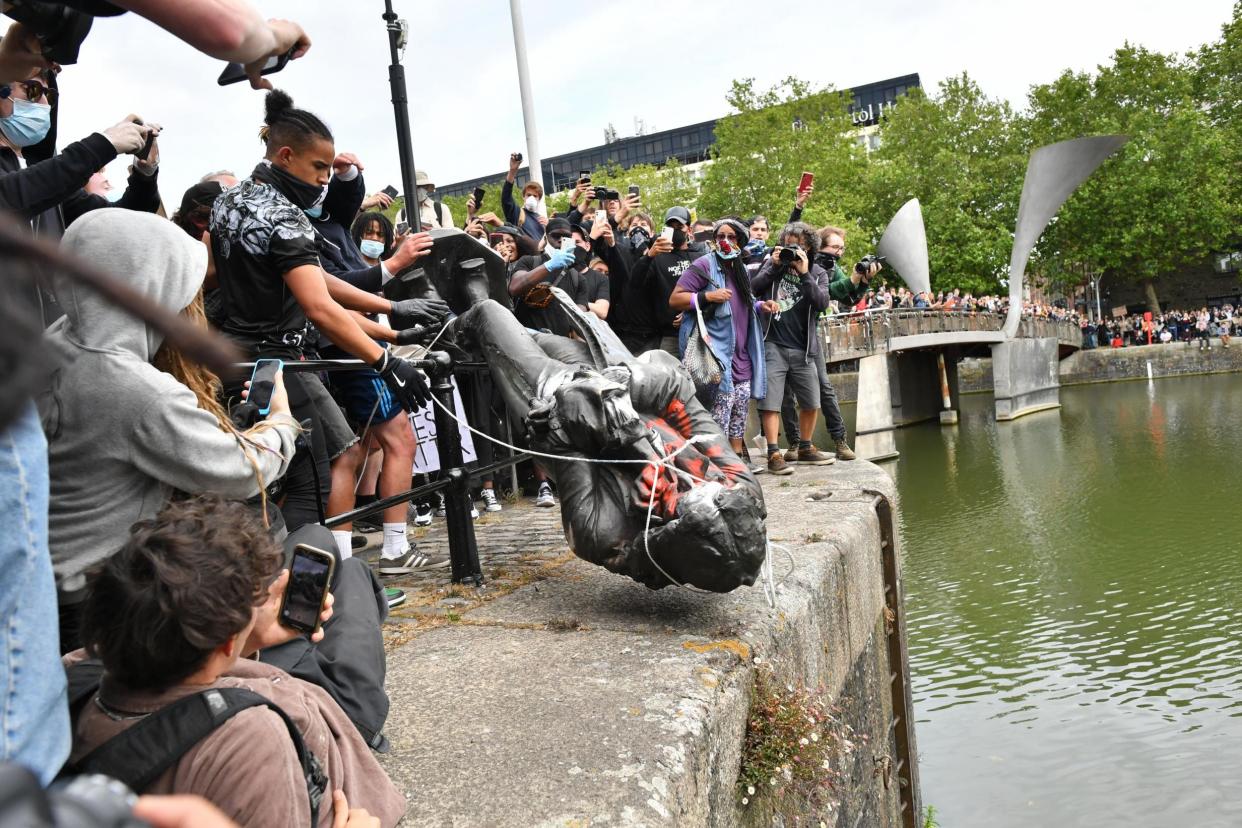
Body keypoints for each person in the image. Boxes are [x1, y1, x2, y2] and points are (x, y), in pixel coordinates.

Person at [39, 209, 299, 652]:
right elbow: (237, 470)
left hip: (45, 587)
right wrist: (281, 424)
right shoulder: (132, 387)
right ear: (152, 286)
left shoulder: (54, 343)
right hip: (100, 598)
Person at [65, 496, 404, 828]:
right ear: (226, 641)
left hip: (237, 668)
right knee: (356, 572)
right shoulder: (250, 739)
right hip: (335, 721)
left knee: (328, 550)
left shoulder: (75, 671)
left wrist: (249, 639)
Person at [209, 89, 442, 540]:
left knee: (265, 472)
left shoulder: (226, 203)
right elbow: (318, 305)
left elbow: (220, 275)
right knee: (325, 467)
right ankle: (316, 581)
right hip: (278, 361)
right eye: (318, 168)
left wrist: (391, 306)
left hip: (233, 356)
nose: (324, 181)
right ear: (286, 155)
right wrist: (388, 361)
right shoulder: (286, 217)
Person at [669, 218, 772, 461]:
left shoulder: (741, 269)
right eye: (720, 237)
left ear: (741, 241)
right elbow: (675, 299)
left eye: (731, 237)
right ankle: (717, 461)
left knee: (740, 405)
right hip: (716, 350)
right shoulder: (704, 264)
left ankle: (736, 458)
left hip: (743, 350)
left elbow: (742, 303)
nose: (725, 241)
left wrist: (761, 305)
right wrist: (708, 296)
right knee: (721, 407)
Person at [750, 222, 836, 474]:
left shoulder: (818, 272)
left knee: (811, 401)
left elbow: (821, 303)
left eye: (797, 243)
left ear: (809, 246)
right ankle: (774, 453)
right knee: (770, 402)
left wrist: (805, 273)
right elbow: (753, 289)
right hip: (773, 343)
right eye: (788, 242)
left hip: (803, 346)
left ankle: (806, 447)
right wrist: (774, 267)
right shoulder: (772, 265)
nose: (792, 247)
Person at [631, 206, 698, 357]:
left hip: (698, 330)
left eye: (680, 227)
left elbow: (710, 292)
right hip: (669, 336)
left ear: (689, 229)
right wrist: (649, 255)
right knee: (670, 378)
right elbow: (635, 284)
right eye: (671, 227)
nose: (675, 230)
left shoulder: (699, 256)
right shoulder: (658, 257)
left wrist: (691, 312)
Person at [500, 151, 545, 241]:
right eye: (528, 195)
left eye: (535, 196)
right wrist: (513, 171)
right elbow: (506, 198)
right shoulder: (517, 213)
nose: (531, 198)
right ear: (523, 197)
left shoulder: (542, 220)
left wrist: (550, 227)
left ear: (539, 199)